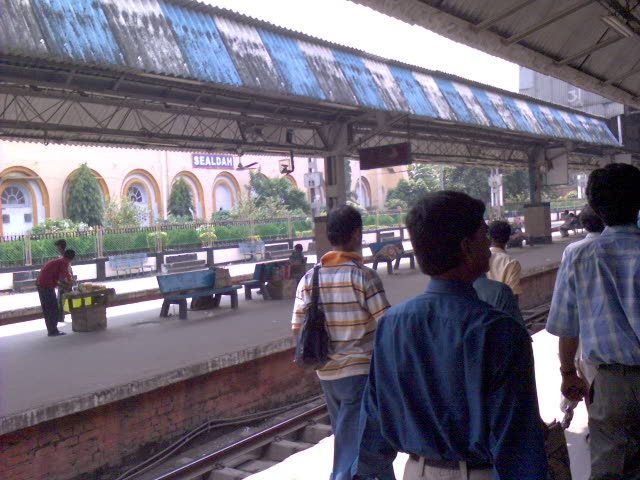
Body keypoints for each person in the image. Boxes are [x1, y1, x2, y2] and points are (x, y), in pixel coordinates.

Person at [354, 191, 547, 480]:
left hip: (415, 472)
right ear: (467, 247)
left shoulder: (391, 325)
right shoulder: (499, 331)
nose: (488, 244)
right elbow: (517, 444)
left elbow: (373, 423)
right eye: (483, 235)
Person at [547, 163, 640, 479]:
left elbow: (566, 325)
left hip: (611, 384)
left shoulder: (579, 255)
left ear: (596, 208)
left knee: (611, 468)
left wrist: (568, 373)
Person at [292, 205, 390, 480]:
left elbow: (297, 329)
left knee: (352, 437)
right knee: (354, 447)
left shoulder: (310, 279)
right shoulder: (363, 276)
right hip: (359, 373)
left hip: (327, 373)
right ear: (357, 234)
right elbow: (387, 324)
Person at [36, 249, 75, 337]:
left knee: (48, 308)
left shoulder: (59, 261)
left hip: (43, 284)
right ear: (71, 258)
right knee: (52, 308)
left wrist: (67, 283)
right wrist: (68, 286)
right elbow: (62, 279)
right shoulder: (63, 263)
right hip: (45, 286)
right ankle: (53, 331)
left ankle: (52, 329)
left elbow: (64, 276)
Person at [486, 220, 522, 299]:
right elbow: (513, 296)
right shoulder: (512, 263)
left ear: (489, 237)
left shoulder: (481, 258)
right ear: (508, 238)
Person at [54, 239, 70, 324]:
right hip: (65, 279)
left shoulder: (64, 256)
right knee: (63, 298)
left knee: (61, 299)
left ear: (60, 246)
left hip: (64, 279)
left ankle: (60, 317)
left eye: (57, 246)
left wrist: (63, 281)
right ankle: (61, 317)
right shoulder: (64, 255)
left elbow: (66, 269)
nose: (57, 248)